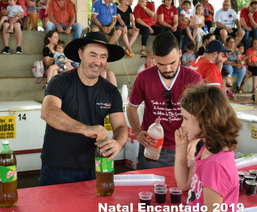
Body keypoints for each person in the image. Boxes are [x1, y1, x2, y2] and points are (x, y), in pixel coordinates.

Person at [39, 32, 128, 186]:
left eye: (102, 57)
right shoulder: (60, 82)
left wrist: (118, 143)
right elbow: (48, 112)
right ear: (80, 54)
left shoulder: (111, 91)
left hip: (95, 166)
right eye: (92, 55)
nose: (97, 62)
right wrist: (84, 129)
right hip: (57, 167)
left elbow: (120, 126)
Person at [127, 31, 203, 169]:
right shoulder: (144, 78)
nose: (167, 69)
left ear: (180, 54)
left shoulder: (193, 79)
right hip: (152, 147)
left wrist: (195, 141)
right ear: (154, 58)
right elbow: (131, 107)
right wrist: (138, 132)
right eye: (161, 64)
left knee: (183, 188)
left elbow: (203, 114)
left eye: (172, 63)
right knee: (149, 188)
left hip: (184, 146)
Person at [174, 85, 240, 212]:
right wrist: (181, 147)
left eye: (185, 119)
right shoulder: (207, 149)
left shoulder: (215, 165)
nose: (182, 124)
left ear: (206, 120)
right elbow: (183, 183)